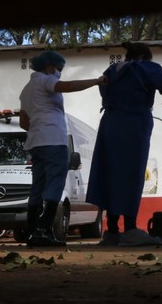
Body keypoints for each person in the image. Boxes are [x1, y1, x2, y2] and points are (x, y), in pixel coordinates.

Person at [86, 42, 162, 247]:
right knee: (131, 173)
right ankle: (130, 228)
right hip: (134, 124)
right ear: (145, 56)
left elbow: (104, 92)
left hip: (110, 124)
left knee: (110, 173)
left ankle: (112, 231)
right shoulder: (147, 68)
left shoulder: (112, 70)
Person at [19, 50, 107, 247]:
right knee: (55, 184)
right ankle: (44, 231)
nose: (59, 73)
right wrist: (95, 81)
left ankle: (32, 232)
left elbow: (23, 122)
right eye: (59, 69)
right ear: (50, 67)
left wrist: (39, 128)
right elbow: (65, 86)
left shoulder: (26, 89)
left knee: (37, 186)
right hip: (53, 141)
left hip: (36, 142)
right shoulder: (45, 80)